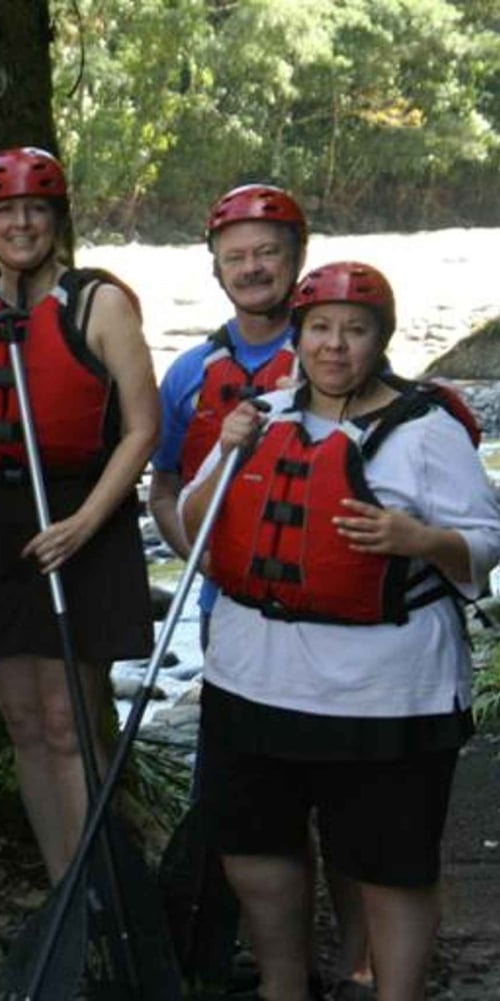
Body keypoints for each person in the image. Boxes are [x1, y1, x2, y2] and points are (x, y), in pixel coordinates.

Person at [183, 262, 500, 1001]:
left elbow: (485, 543)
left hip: (389, 693)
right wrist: (226, 452)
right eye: (320, 329)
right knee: (257, 847)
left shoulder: (428, 430)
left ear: (380, 340)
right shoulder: (259, 418)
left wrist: (416, 538)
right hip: (254, 677)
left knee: (392, 863)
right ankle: (283, 986)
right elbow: (195, 531)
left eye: (355, 331)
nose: (335, 346)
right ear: (296, 337)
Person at [0, 147, 158, 884]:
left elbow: (142, 429)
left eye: (35, 209)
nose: (21, 223)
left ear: (56, 219)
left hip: (77, 517)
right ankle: (66, 885)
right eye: (6, 212)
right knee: (26, 724)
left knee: (70, 720)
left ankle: (101, 884)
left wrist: (86, 523)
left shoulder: (101, 303)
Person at [149, 184, 306, 646]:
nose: (251, 268)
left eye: (267, 253)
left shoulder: (338, 359)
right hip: (226, 603)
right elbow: (163, 493)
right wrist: (204, 562)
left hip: (324, 604)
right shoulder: (188, 373)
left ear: (296, 257)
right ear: (217, 269)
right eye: (235, 257)